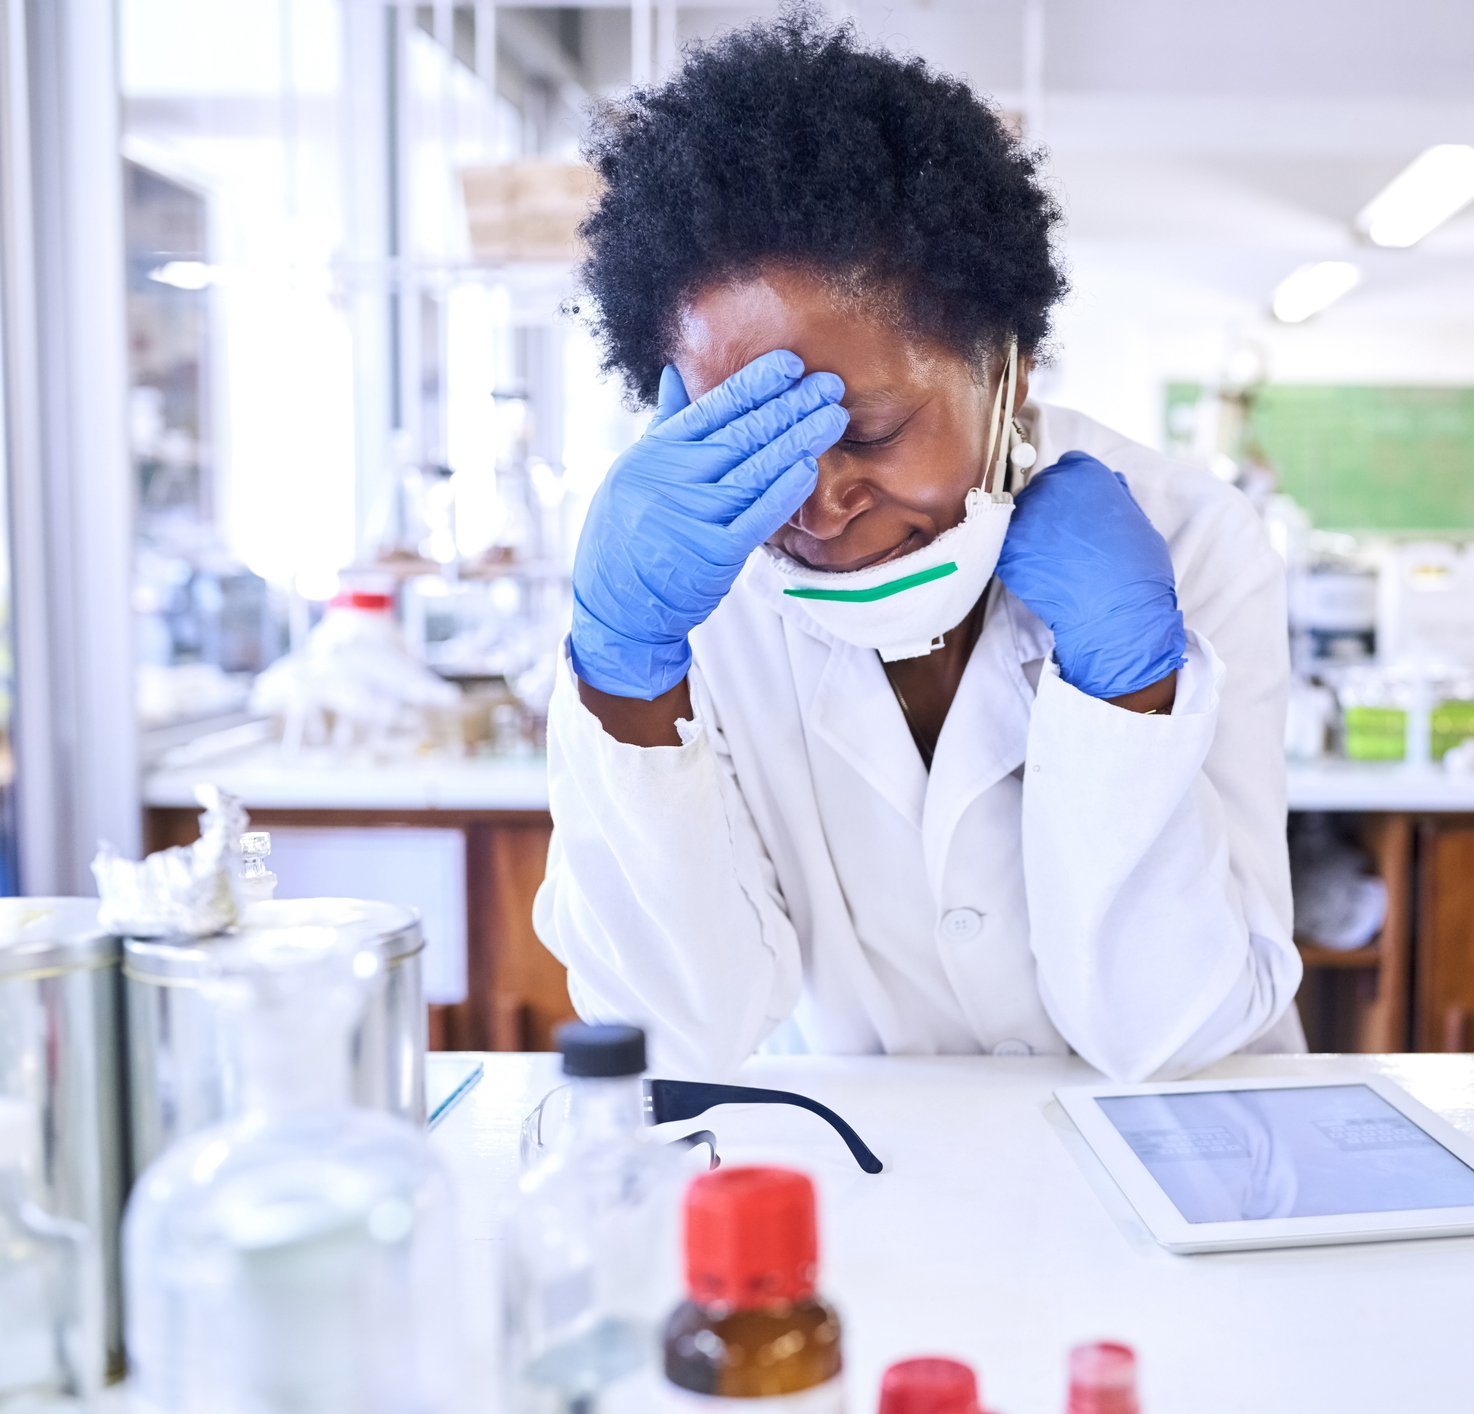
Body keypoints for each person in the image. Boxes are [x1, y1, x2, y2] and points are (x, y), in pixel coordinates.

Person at [535, 12, 1302, 1081]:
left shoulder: (1190, 537)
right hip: (872, 1174)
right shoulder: (680, 579)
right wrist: (626, 675)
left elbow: (1175, 1030)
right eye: (748, 442)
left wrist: (1133, 685)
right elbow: (677, 1032)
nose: (816, 500)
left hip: (1188, 1158)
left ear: (1009, 370)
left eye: (870, 430)